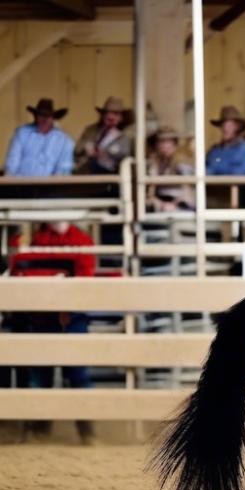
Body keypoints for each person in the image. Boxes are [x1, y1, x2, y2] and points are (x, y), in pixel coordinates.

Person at [9, 221, 97, 444]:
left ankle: (86, 432)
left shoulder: (79, 240)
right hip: (45, 314)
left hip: (69, 314)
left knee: (77, 375)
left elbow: (85, 275)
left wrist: (55, 286)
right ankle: (41, 431)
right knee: (41, 375)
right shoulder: (38, 239)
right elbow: (23, 268)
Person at [4, 98, 74, 177]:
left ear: (53, 118)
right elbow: (12, 162)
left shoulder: (65, 141)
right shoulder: (22, 133)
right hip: (20, 185)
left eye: (48, 116)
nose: (44, 119)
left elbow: (63, 170)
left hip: (49, 187)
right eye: (41, 115)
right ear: (36, 116)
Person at [74, 96, 132, 175]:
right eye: (107, 113)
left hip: (111, 175)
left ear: (121, 117)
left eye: (115, 114)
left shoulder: (125, 134)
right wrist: (87, 147)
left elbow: (124, 154)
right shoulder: (91, 130)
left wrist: (104, 153)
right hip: (86, 171)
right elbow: (77, 149)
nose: (110, 116)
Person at [146, 126, 194, 211]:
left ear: (175, 143)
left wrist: (174, 204)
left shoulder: (182, 161)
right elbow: (151, 192)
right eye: (162, 141)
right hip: (160, 200)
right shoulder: (156, 162)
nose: (165, 145)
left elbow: (188, 192)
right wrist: (159, 203)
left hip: (179, 201)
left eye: (169, 141)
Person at [206, 105, 245, 176]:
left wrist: (217, 170)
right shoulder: (215, 149)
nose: (225, 129)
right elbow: (208, 168)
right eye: (223, 126)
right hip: (211, 186)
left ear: (237, 127)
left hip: (233, 186)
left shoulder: (244, 147)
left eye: (229, 126)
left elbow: (240, 172)